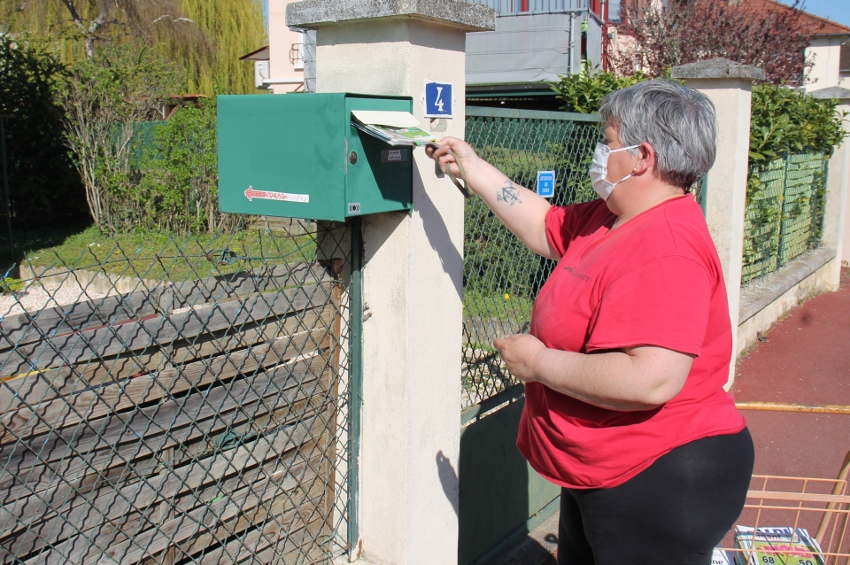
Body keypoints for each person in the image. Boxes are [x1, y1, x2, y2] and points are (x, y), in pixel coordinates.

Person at [427, 79, 753, 565]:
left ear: (641, 157)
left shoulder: (666, 247)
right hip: (606, 467)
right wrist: (472, 168)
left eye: (608, 140)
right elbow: (544, 225)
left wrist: (539, 363)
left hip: (656, 475)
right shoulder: (615, 215)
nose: (600, 151)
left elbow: (652, 379)